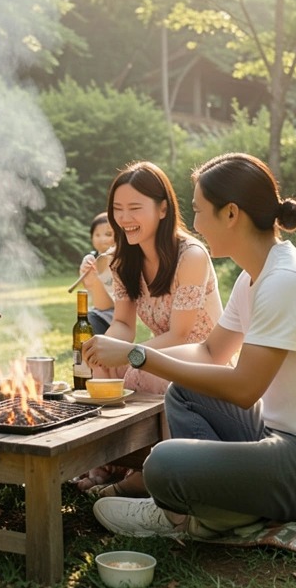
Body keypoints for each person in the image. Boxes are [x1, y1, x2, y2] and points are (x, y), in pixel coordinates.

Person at [81, 153, 296, 538]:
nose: (196, 225)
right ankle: (217, 510)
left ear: (231, 213)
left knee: (163, 463)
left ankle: (178, 515)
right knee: (183, 392)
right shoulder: (252, 279)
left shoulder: (285, 280)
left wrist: (140, 354)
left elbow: (243, 388)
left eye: (200, 212)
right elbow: (209, 353)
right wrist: (133, 364)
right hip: (281, 437)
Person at [76, 162, 222, 499]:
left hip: (201, 359)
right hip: (159, 352)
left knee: (136, 372)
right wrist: (103, 348)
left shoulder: (191, 255)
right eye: (117, 210)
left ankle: (150, 471)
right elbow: (124, 323)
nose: (124, 218)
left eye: (134, 209)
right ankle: (110, 459)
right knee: (101, 361)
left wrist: (130, 359)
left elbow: (183, 335)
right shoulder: (125, 259)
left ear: (162, 209)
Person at [75, 212, 116, 335]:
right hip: (99, 311)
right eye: (97, 234)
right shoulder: (90, 259)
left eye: (108, 234)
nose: (102, 239)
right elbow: (88, 286)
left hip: (118, 314)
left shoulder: (120, 260)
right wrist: (87, 274)